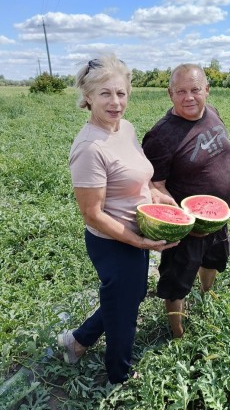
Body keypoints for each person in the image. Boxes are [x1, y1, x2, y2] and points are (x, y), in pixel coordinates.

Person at [58, 54, 178, 385]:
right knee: (125, 312)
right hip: (112, 241)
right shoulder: (88, 147)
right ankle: (119, 375)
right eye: (105, 94)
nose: (115, 102)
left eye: (121, 93)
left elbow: (136, 174)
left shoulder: (125, 128)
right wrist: (138, 240)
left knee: (129, 295)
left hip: (137, 231)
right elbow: (92, 213)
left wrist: (154, 195)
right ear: (88, 97)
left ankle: (77, 341)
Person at [142, 63, 230, 338]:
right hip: (187, 229)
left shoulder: (212, 113)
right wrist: (182, 220)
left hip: (217, 218)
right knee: (176, 281)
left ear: (207, 91)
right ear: (170, 94)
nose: (189, 97)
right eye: (181, 91)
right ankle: (177, 334)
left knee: (213, 261)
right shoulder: (161, 136)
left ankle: (205, 295)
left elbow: (225, 154)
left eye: (195, 90)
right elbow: (154, 185)